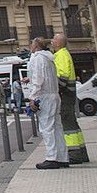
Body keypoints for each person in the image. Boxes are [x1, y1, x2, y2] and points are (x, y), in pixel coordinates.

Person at [25, 37, 68, 169]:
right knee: (57, 127)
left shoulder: (38, 58)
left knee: (46, 128)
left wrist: (33, 97)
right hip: (54, 94)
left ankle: (51, 158)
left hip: (44, 96)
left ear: (36, 46)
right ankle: (62, 157)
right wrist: (30, 79)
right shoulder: (49, 59)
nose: (30, 46)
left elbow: (39, 79)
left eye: (32, 44)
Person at [52, 34, 90, 164]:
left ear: (58, 43)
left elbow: (62, 75)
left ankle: (74, 154)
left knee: (67, 123)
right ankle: (81, 152)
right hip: (70, 92)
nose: (51, 41)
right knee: (73, 123)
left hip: (65, 94)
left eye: (53, 39)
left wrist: (58, 90)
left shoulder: (61, 55)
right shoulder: (65, 54)